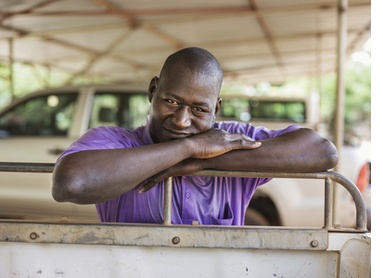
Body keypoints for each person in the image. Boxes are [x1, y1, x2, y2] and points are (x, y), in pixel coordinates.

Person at [52, 47, 338, 225]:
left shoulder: (232, 138)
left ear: (216, 108)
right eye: (171, 102)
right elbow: (70, 183)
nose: (181, 119)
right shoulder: (115, 141)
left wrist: (203, 162)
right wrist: (190, 147)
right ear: (152, 91)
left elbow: (323, 152)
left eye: (198, 109)